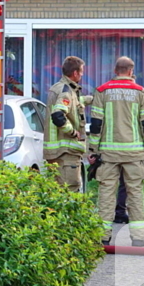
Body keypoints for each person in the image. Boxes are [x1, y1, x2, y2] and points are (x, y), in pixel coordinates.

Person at [89, 56, 144, 247]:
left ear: (115, 70)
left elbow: (96, 124)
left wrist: (93, 150)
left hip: (108, 154)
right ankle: (139, 237)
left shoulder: (102, 91)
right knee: (135, 194)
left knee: (107, 194)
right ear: (131, 72)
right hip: (135, 154)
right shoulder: (141, 93)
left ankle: (103, 236)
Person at [45, 56, 88, 191]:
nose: (82, 75)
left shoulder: (59, 88)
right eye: (81, 71)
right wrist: (73, 132)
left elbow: (72, 103)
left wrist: (90, 99)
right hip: (66, 153)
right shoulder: (66, 91)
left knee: (56, 191)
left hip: (56, 153)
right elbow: (58, 115)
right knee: (71, 190)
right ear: (75, 73)